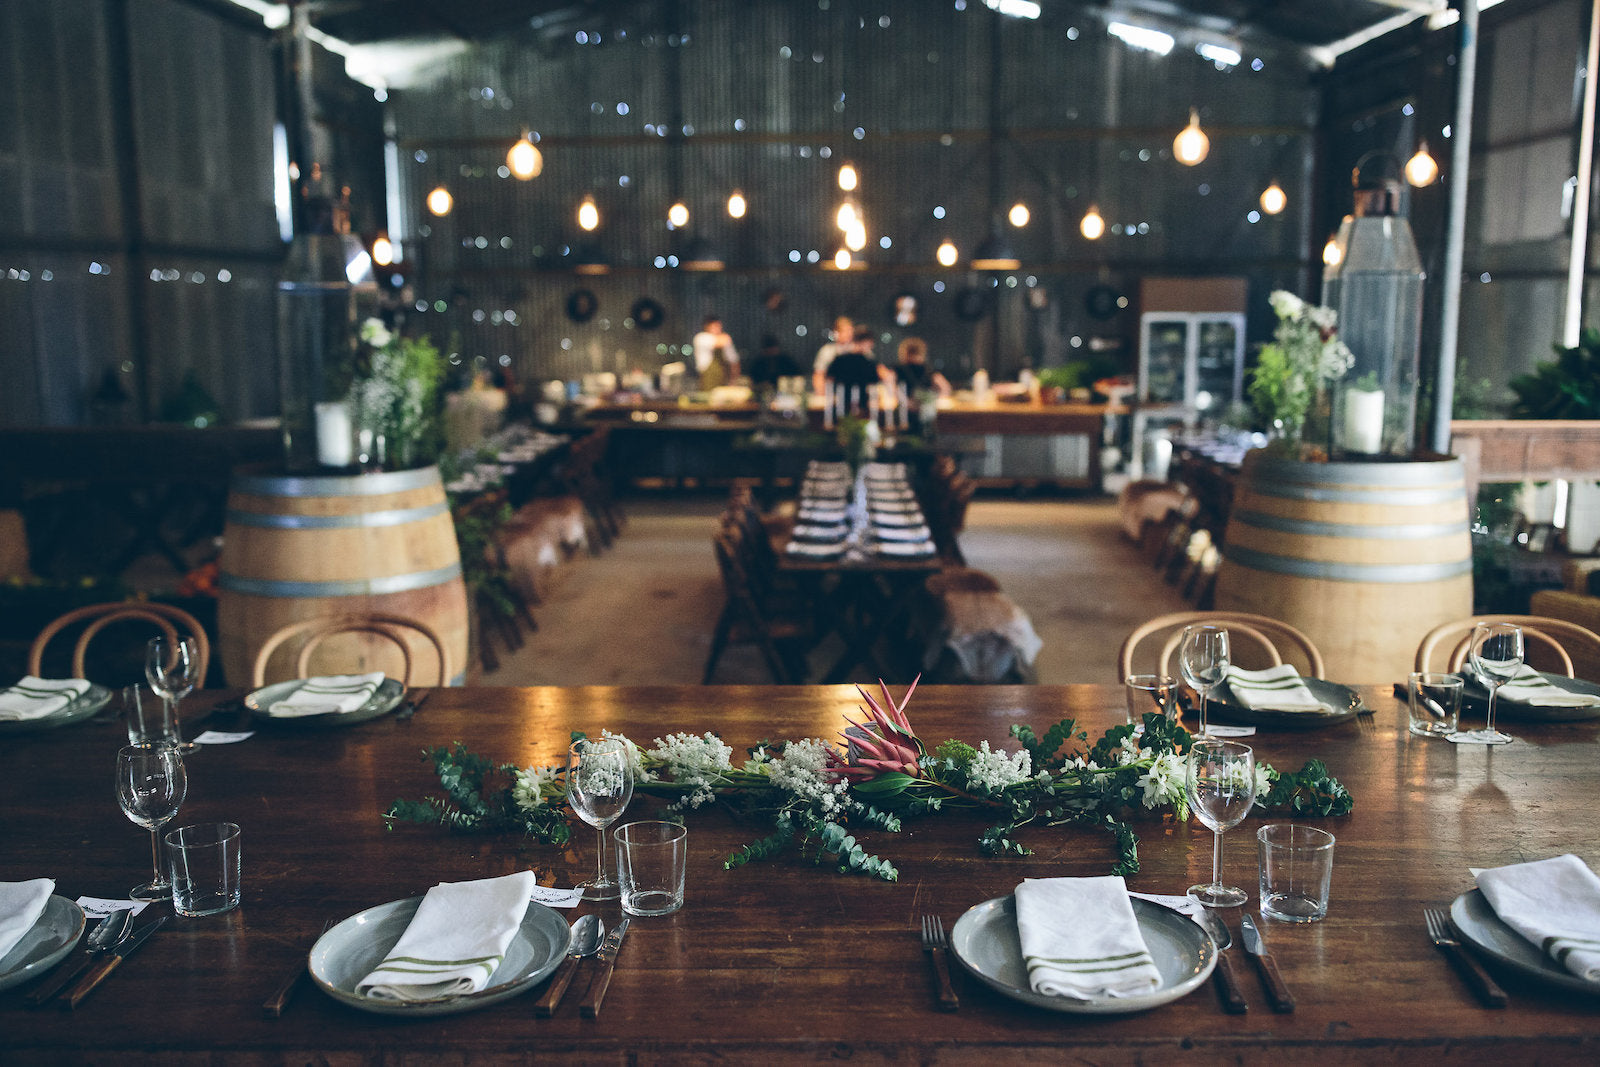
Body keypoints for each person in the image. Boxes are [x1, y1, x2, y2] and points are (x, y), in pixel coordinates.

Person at [811, 315, 856, 394]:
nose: (849, 334)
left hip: (855, 394)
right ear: (836, 332)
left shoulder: (858, 350)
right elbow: (819, 375)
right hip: (833, 393)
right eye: (845, 331)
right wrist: (821, 393)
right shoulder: (827, 351)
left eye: (850, 331)